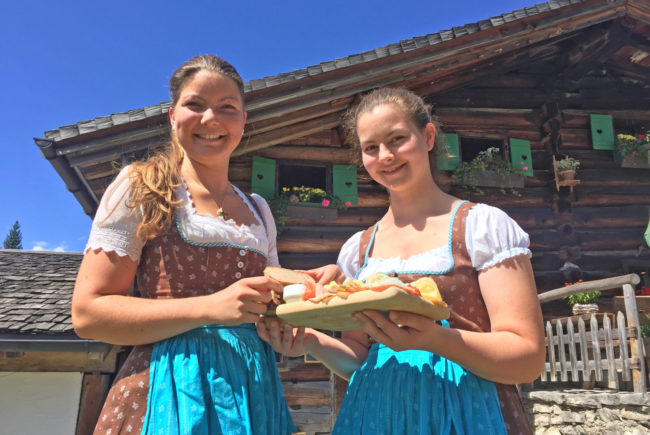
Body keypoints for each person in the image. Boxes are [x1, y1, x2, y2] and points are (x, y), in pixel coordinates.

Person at [257, 87, 545, 434]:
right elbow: (361, 359)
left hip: (467, 414)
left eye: (396, 139)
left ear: (427, 137)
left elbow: (527, 359)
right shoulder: (358, 249)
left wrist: (435, 339)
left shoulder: (482, 227)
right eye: (371, 148)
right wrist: (311, 342)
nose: (386, 156)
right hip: (376, 416)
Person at [72, 55, 295, 435]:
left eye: (227, 108)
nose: (211, 119)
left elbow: (265, 310)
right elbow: (89, 313)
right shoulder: (142, 186)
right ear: (172, 116)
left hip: (253, 394)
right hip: (165, 391)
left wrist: (295, 308)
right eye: (195, 105)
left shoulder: (259, 210)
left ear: (243, 120)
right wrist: (210, 308)